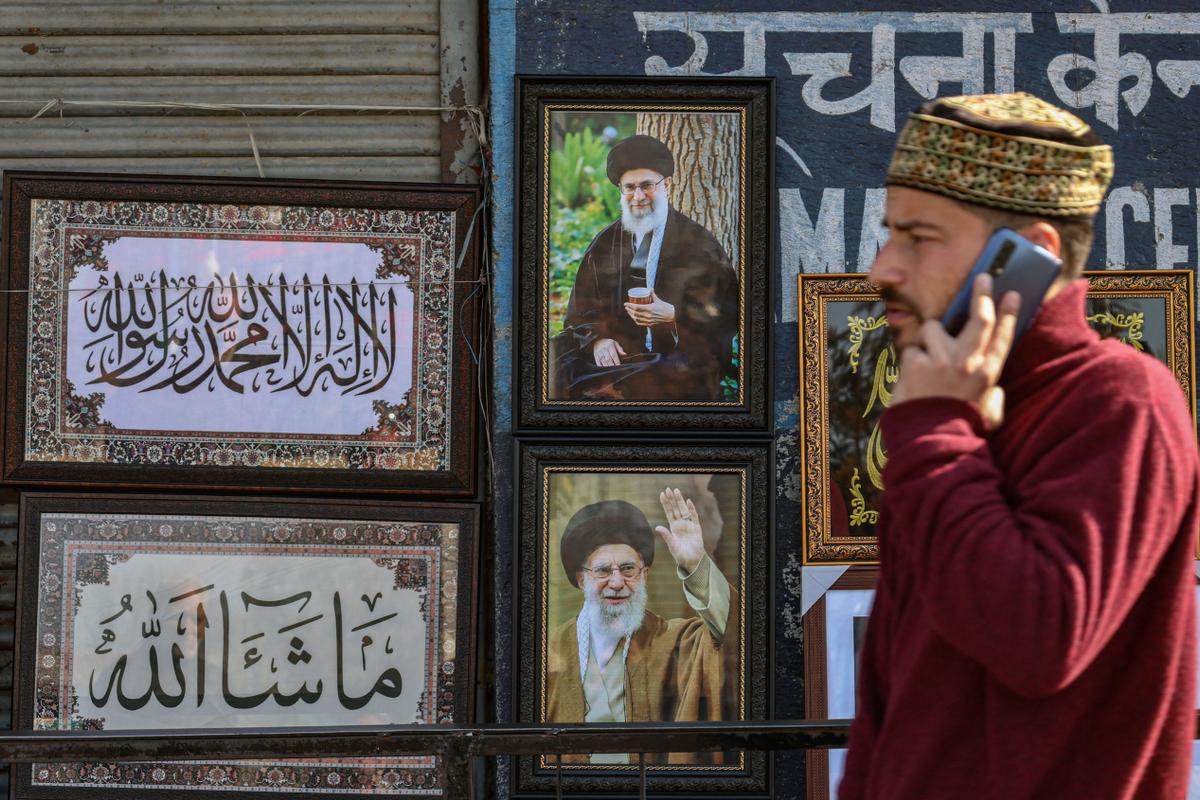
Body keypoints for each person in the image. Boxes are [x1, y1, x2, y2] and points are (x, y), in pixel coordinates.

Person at [841, 92, 1199, 799]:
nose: (882, 268)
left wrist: (942, 432)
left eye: (918, 238)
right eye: (889, 235)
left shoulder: (1122, 398)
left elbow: (1039, 642)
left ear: (1029, 256)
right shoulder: (942, 403)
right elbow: (893, 693)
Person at [546, 490, 738, 764]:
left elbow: (730, 631)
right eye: (602, 571)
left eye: (627, 569)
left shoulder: (673, 640)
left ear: (644, 575)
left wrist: (696, 564)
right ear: (581, 580)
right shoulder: (551, 650)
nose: (616, 582)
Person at [551, 134, 738, 401]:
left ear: (667, 184)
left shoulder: (699, 243)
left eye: (647, 185)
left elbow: (725, 314)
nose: (638, 196)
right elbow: (581, 310)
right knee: (551, 360)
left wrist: (672, 315)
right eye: (630, 187)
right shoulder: (606, 242)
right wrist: (597, 340)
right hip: (620, 354)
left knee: (666, 377)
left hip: (676, 356)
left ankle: (608, 393)